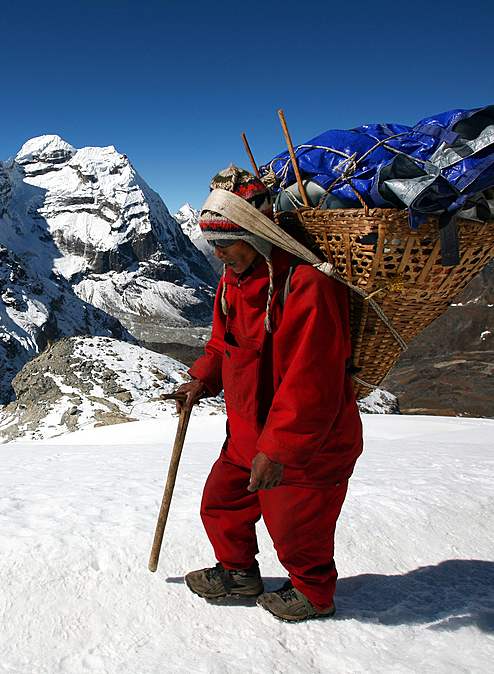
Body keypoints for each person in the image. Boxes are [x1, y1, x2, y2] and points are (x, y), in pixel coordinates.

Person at [176, 165, 363, 622]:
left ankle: (314, 595)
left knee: (298, 525)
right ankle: (237, 573)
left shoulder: (308, 286)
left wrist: (279, 449)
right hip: (246, 434)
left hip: (305, 446)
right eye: (212, 245)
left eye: (226, 244)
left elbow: (311, 381)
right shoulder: (231, 285)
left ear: (257, 234)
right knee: (222, 502)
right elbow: (224, 345)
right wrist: (202, 378)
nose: (218, 255)